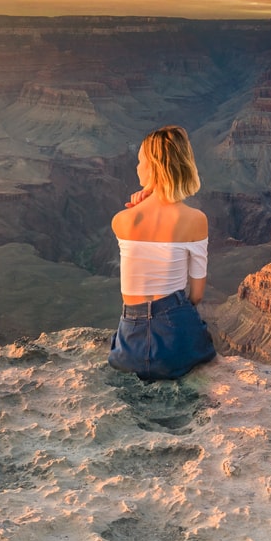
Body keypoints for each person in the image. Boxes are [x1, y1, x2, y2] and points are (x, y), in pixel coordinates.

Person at [110, 125, 215, 380]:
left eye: (140, 162)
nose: (137, 168)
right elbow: (197, 296)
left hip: (128, 349)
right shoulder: (195, 220)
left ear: (154, 166)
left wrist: (145, 199)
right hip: (174, 345)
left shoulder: (122, 221)